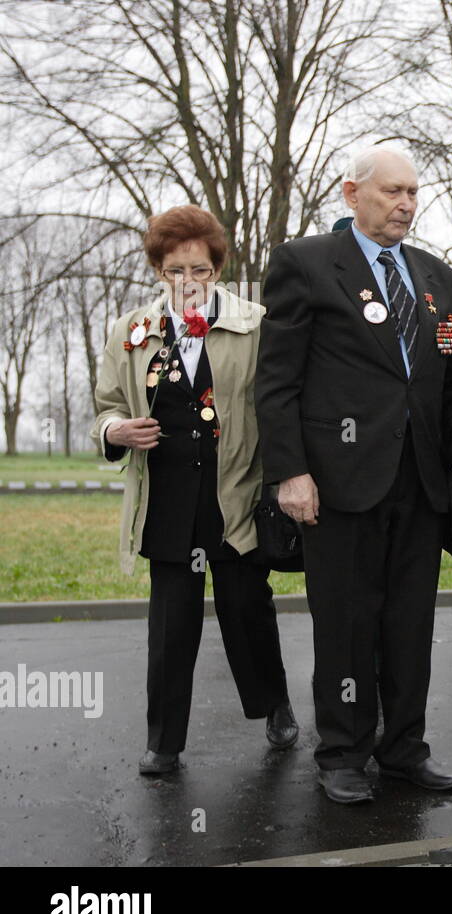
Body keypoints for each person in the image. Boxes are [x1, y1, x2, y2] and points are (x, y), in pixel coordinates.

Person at [255, 145, 452, 803]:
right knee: (347, 622)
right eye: (392, 192)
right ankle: (344, 754)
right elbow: (276, 381)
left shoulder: (439, 278)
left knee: (409, 622)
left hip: (421, 482)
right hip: (340, 480)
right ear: (352, 194)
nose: (406, 204)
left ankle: (404, 750)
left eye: (413, 192)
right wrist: (290, 472)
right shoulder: (307, 264)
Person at [92, 204, 296, 775]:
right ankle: (165, 742)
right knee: (171, 626)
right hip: (167, 502)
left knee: (246, 611)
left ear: (217, 269)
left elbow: (279, 404)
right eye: (175, 270)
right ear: (159, 271)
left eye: (200, 270)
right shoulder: (129, 332)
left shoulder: (255, 324)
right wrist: (116, 430)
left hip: (235, 493)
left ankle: (273, 704)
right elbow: (105, 408)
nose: (188, 282)